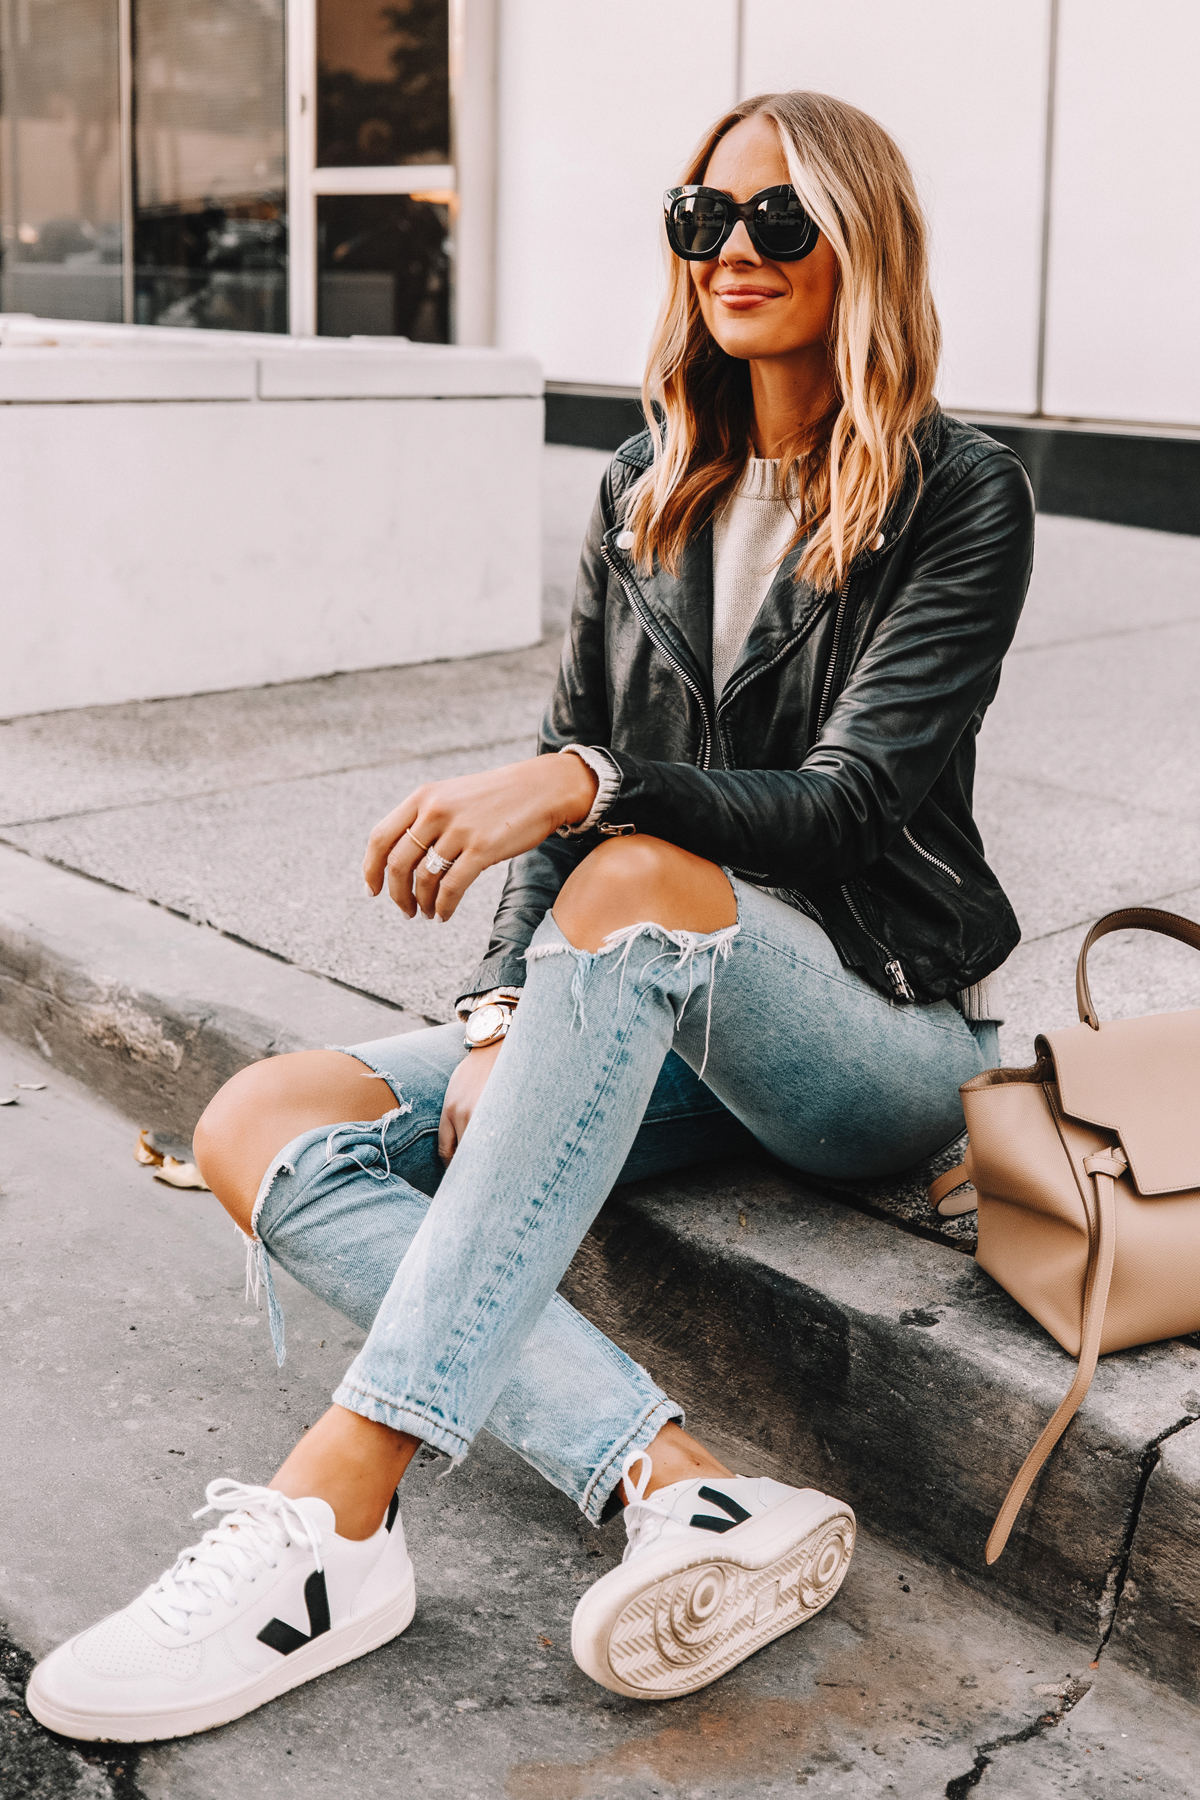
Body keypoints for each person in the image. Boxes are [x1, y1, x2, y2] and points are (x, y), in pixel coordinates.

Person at [27, 89, 1033, 1742]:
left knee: (630, 871)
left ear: (864, 246)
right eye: (703, 217)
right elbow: (581, 784)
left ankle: (340, 1515)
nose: (736, 251)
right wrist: (505, 1014)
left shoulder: (958, 495)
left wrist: (580, 785)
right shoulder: (648, 480)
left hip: (868, 1032)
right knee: (260, 1114)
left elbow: (846, 807)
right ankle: (680, 1480)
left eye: (782, 221)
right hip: (644, 1010)